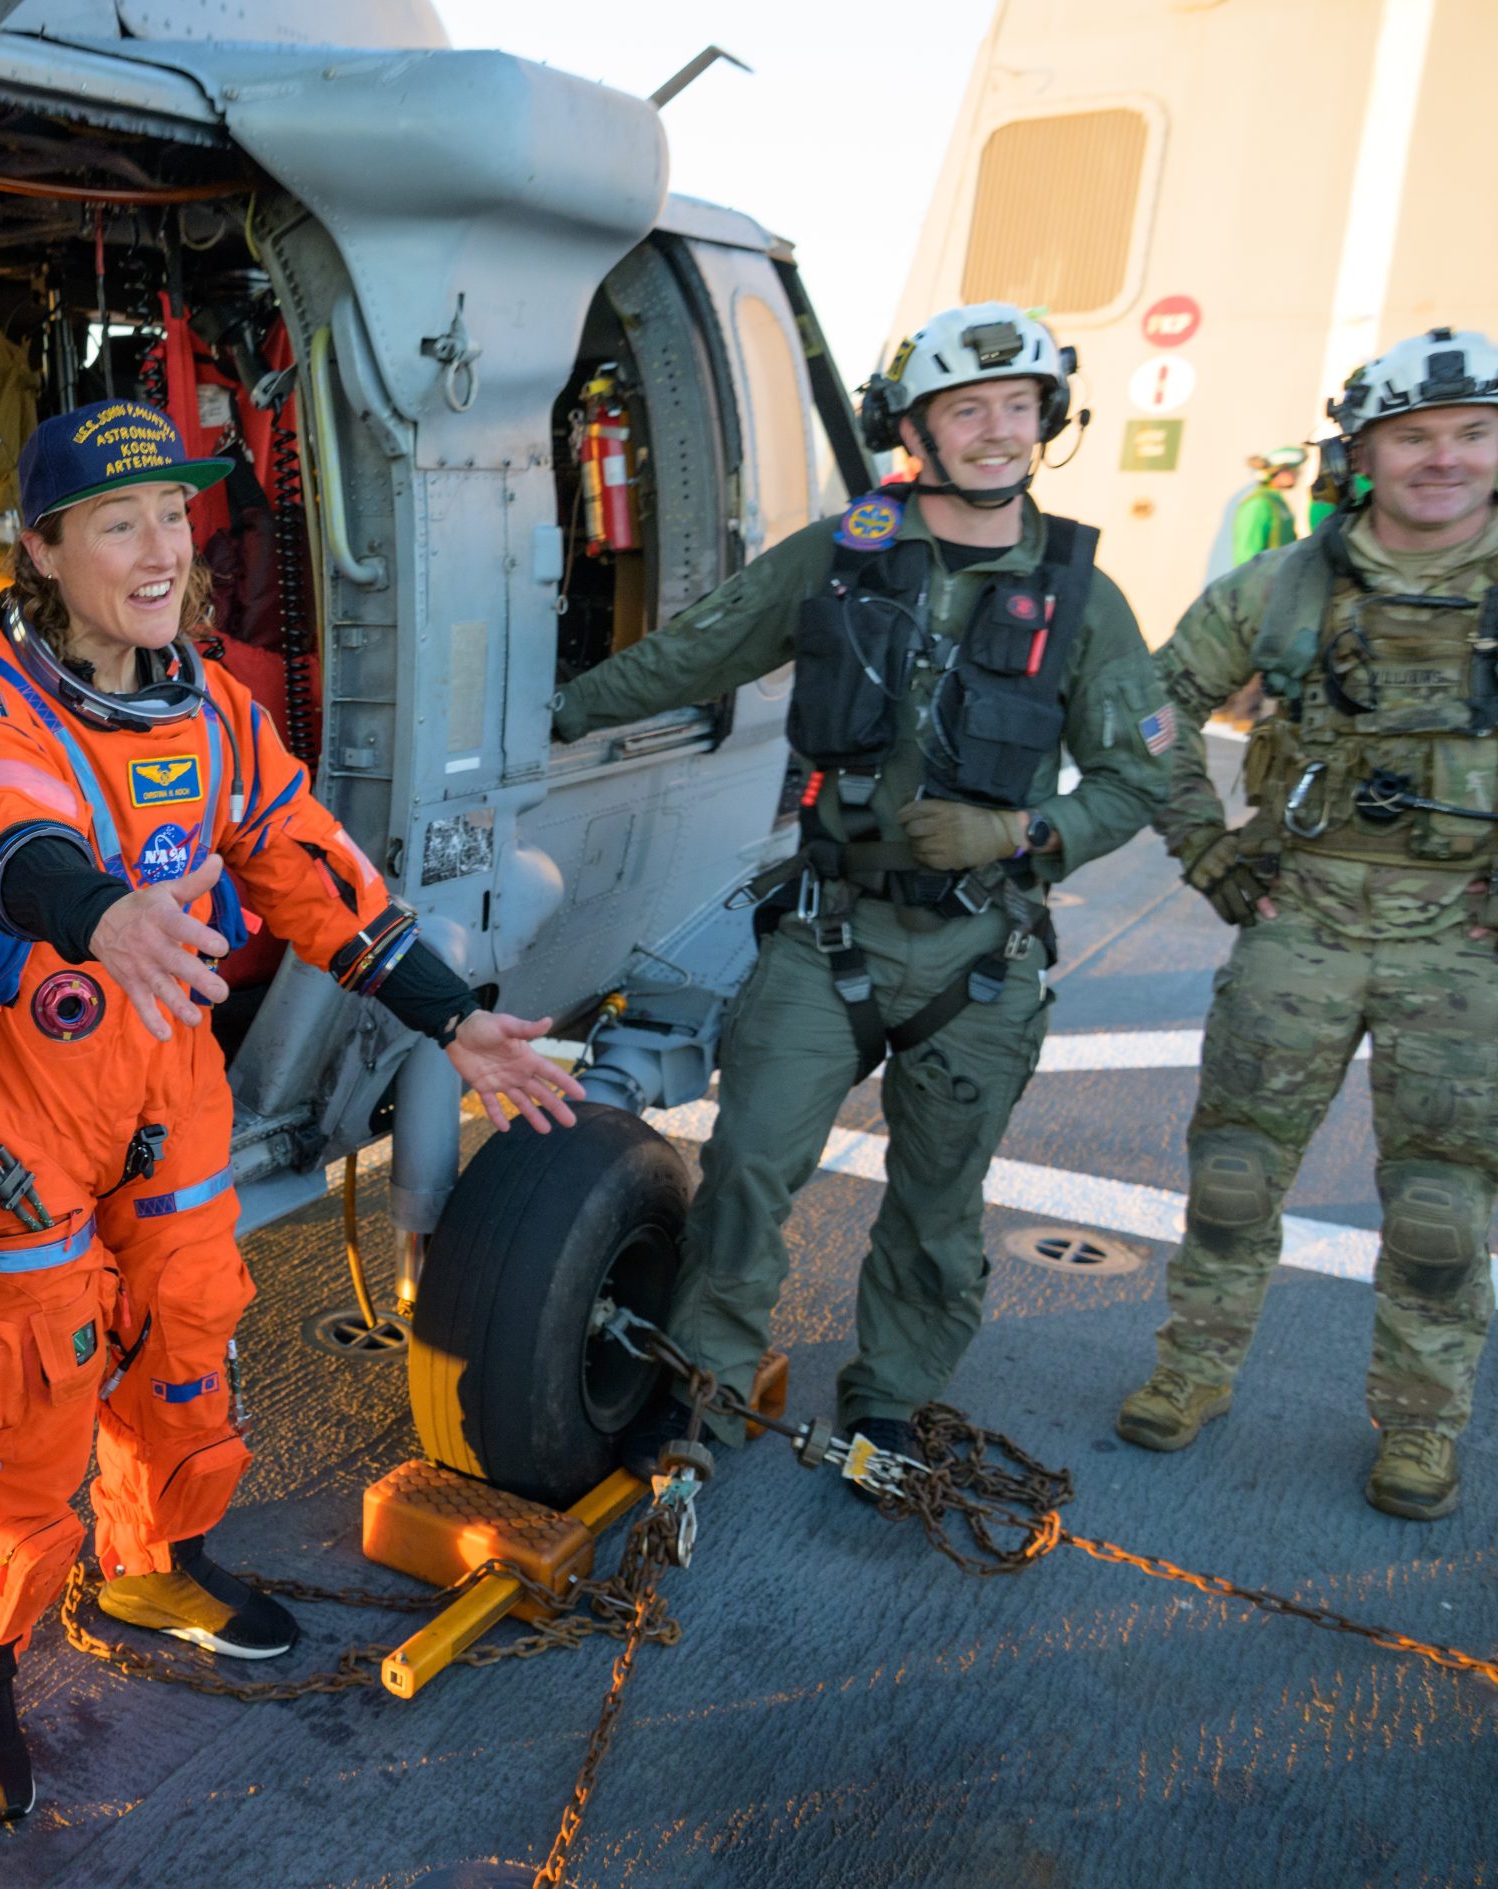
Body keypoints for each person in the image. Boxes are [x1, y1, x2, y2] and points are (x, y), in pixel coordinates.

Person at [0, 400, 583, 1825]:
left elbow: (309, 865)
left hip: (168, 1082)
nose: (160, 550)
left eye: (172, 517)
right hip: (22, 1098)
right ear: (40, 548)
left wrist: (453, 1017)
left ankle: (151, 1562)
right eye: (116, 521)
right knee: (32, 1381)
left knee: (189, 1323)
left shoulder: (210, 710)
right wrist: (100, 911)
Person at [552, 302, 1169, 1477]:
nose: (997, 431)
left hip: (979, 951)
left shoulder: (1082, 595)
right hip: (830, 933)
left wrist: (1022, 829)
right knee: (746, 1169)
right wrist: (561, 712)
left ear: (1051, 419)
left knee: (938, 1203)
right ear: (914, 427)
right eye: (966, 409)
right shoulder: (843, 553)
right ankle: (703, 1391)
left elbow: (1141, 777)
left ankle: (890, 1398)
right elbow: (701, 649)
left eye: (1019, 406)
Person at [1119, 326, 1498, 1522]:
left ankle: (1420, 1425)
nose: (1444, 458)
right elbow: (1148, 709)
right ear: (1361, 453)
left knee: (1441, 1210)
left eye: (1473, 433)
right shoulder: (1281, 589)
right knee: (1233, 1177)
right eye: (1413, 436)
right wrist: (1206, 846)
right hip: (1302, 925)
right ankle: (1191, 1369)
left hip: (1462, 945)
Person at [1207, 445, 1307, 580]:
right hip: (1264, 585)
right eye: (1291, 469)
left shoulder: (1277, 501)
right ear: (1275, 472)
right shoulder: (1258, 503)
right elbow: (1247, 557)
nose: (1297, 473)